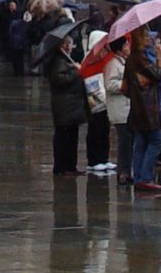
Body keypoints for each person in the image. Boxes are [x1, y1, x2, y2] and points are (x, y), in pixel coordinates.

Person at [122, 31, 161, 194]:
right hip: (147, 108)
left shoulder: (130, 59)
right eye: (146, 36)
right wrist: (160, 57)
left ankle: (139, 176)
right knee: (156, 140)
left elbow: (124, 88)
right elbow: (159, 75)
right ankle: (145, 177)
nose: (149, 39)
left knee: (140, 141)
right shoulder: (140, 58)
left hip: (137, 108)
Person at [43, 28, 87, 174]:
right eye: (66, 43)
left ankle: (70, 166)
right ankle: (63, 167)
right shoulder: (57, 61)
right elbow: (59, 80)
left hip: (71, 105)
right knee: (64, 138)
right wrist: (76, 72)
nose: (69, 46)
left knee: (71, 137)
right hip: (64, 106)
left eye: (70, 43)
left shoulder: (66, 59)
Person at [84, 29, 114, 174]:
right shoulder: (89, 62)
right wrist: (107, 100)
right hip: (96, 105)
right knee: (96, 131)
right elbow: (93, 86)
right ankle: (94, 159)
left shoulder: (102, 60)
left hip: (104, 105)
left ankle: (103, 157)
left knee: (104, 131)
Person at [102, 36, 132, 184]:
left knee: (128, 140)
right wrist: (125, 84)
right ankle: (123, 172)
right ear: (120, 48)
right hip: (120, 110)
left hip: (127, 108)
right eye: (126, 45)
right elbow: (110, 84)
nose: (129, 47)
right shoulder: (113, 64)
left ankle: (126, 170)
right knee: (125, 141)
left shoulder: (124, 62)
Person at [5, 8, 32, 77]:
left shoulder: (12, 22)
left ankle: (16, 71)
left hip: (13, 42)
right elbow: (26, 32)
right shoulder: (24, 23)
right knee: (21, 58)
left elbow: (9, 32)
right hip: (21, 42)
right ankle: (21, 71)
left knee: (14, 58)